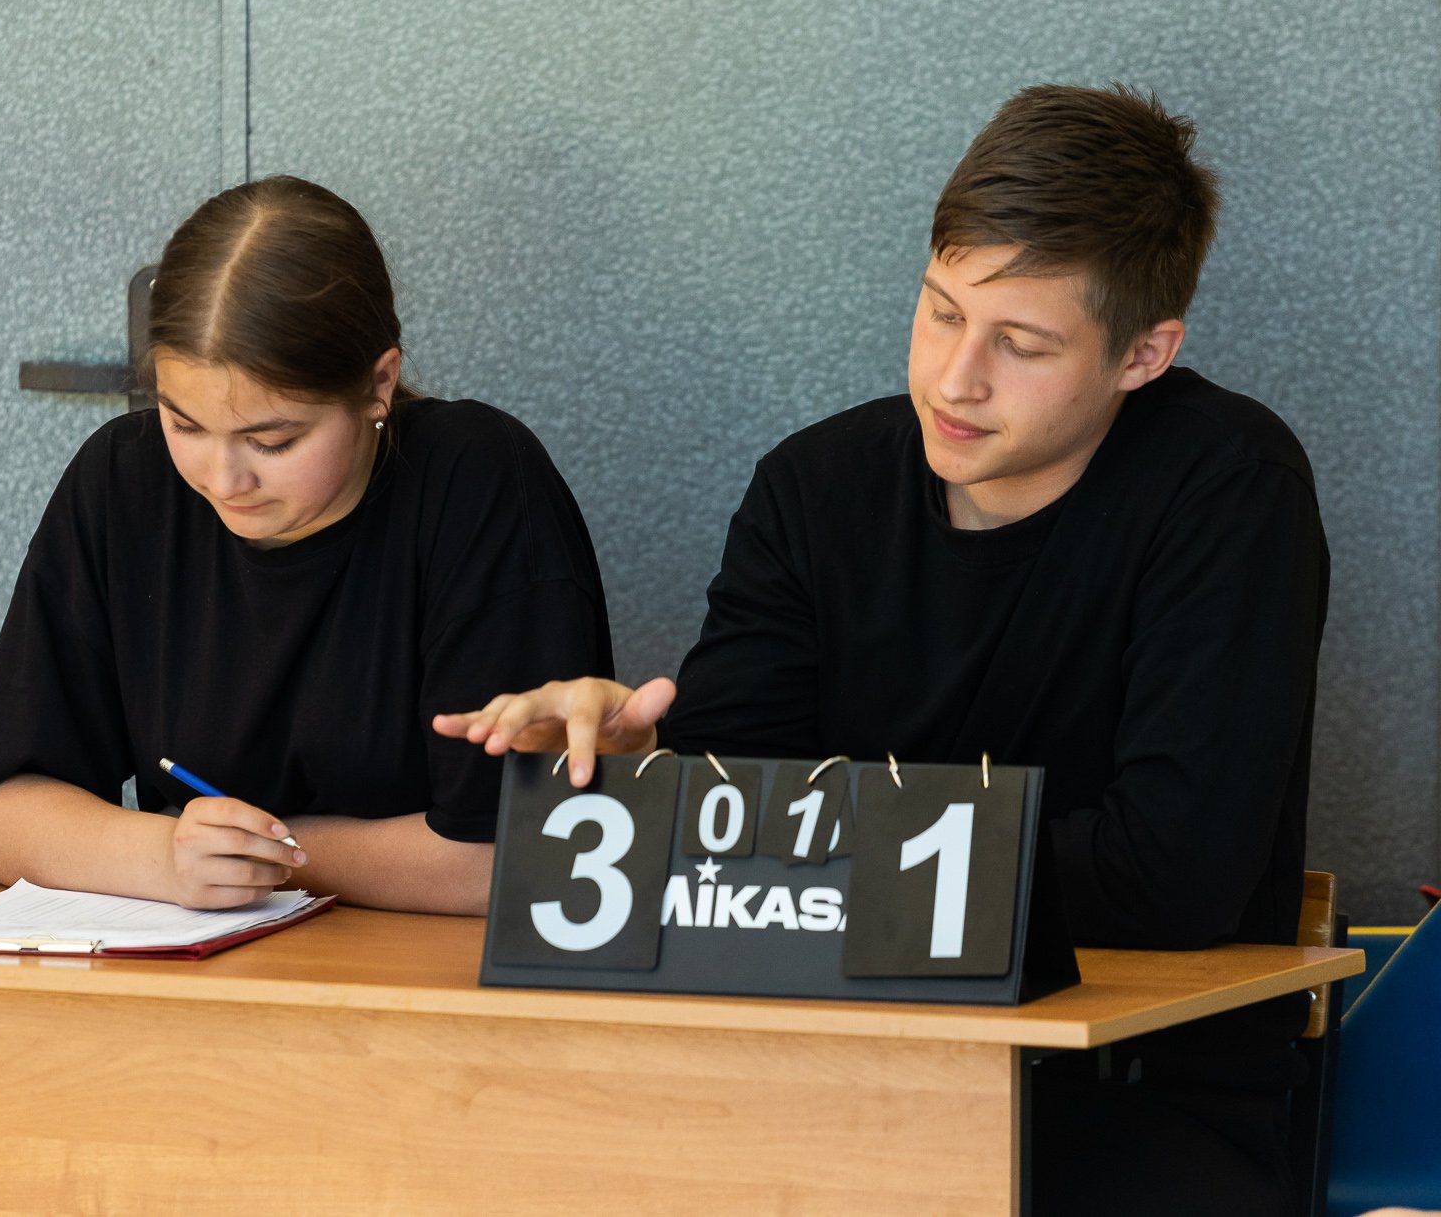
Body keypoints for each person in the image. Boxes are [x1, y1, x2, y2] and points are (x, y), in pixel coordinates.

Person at [437, 85, 1329, 1215]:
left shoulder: (1229, 490)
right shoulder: (813, 489)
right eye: (941, 311)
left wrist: (805, 851)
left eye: (1020, 344)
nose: (956, 378)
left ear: (1142, 355)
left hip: (1127, 1093)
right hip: (819, 1071)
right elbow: (723, 846)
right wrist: (638, 775)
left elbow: (1171, 877)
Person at [0, 175, 613, 916]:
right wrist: (160, 856)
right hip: (197, 967)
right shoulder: (123, 478)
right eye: (185, 424)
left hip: (423, 970)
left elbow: (524, 854)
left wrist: (266, 855)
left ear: (379, 384)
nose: (224, 479)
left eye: (274, 440)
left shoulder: (477, 481)